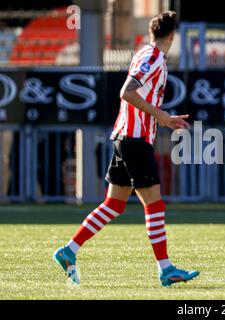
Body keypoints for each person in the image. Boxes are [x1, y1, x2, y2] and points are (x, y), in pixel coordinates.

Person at [53, 11, 199, 286]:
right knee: (154, 203)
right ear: (172, 35)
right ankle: (166, 269)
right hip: (134, 139)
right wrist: (162, 117)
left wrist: (160, 117)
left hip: (126, 136)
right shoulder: (153, 57)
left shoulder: (147, 54)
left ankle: (68, 251)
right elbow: (127, 92)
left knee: (115, 204)